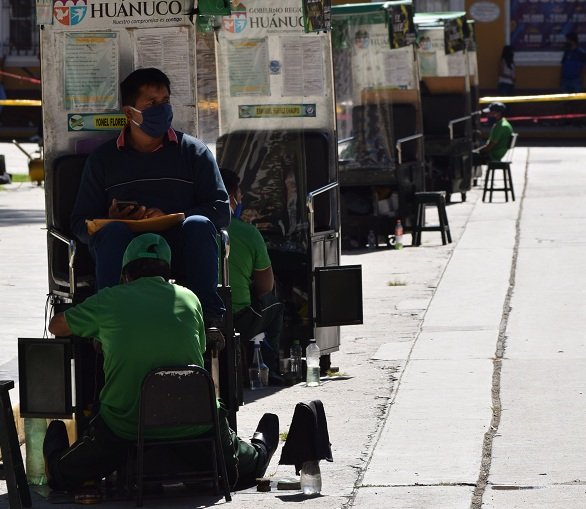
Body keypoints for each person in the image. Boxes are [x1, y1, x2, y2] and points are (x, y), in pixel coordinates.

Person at [43, 234, 279, 491]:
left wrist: (100, 332)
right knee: (247, 469)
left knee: (61, 475)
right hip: (196, 422)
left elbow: (56, 326)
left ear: (125, 274)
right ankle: (259, 444)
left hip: (125, 427)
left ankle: (56, 444)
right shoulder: (190, 299)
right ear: (168, 273)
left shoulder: (109, 299)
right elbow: (197, 352)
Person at [70, 67, 229, 331]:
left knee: (200, 224)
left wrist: (177, 216)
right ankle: (108, 319)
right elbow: (79, 223)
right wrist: (112, 220)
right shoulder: (103, 160)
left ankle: (207, 319)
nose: (161, 109)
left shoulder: (193, 152)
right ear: (130, 112)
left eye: (165, 102)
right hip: (126, 253)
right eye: (152, 103)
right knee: (111, 233)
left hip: (179, 250)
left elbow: (221, 210)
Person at [219, 168, 284, 383]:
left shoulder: (192, 229)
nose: (240, 200)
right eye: (239, 196)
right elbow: (266, 287)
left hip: (203, 317)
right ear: (231, 198)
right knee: (274, 306)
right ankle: (269, 369)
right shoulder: (249, 234)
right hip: (240, 320)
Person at [472, 102, 513, 166]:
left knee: (468, 158)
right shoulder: (504, 122)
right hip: (497, 153)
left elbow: (489, 147)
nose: (488, 115)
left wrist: (476, 151)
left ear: (498, 114)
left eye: (490, 113)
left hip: (493, 155)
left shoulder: (500, 126)